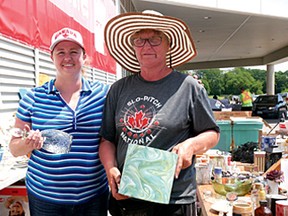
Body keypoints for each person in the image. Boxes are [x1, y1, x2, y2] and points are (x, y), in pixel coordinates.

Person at [99, 10, 220, 216]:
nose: (146, 46)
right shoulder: (119, 89)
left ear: (168, 45)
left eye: (155, 39)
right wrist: (111, 170)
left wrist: (190, 145)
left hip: (174, 198)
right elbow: (107, 139)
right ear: (133, 47)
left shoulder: (188, 87)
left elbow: (212, 133)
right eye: (139, 40)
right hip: (129, 195)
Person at [9, 27, 109, 216]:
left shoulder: (103, 94)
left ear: (84, 56)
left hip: (93, 196)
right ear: (52, 57)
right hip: (46, 196)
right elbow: (14, 148)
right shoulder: (32, 98)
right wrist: (27, 144)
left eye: (74, 52)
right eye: (60, 52)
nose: (67, 58)